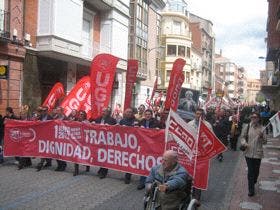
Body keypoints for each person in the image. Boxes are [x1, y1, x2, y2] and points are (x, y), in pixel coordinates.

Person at [240, 112, 267, 197]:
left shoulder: (262, 128)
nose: (253, 118)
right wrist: (244, 143)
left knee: (256, 171)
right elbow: (243, 137)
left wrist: (262, 136)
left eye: (255, 117)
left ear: (258, 118)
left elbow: (265, 142)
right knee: (250, 171)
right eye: (252, 117)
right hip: (248, 153)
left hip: (258, 153)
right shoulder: (247, 126)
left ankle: (254, 180)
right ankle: (251, 189)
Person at [137, 109, 160, 190]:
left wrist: (157, 129)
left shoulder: (156, 122)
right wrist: (138, 127)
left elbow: (160, 129)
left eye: (149, 114)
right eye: (146, 114)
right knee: (143, 164)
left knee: (152, 164)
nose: (147, 115)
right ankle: (142, 182)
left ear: (151, 115)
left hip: (153, 147)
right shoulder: (142, 121)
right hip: (144, 146)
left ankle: (152, 181)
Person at [94, 107, 117, 179]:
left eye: (105, 111)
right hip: (99, 141)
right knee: (100, 156)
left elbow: (115, 129)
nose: (103, 112)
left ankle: (104, 172)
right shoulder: (98, 119)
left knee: (105, 156)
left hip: (107, 141)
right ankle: (101, 169)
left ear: (108, 112)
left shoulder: (112, 120)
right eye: (102, 111)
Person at [119, 107, 138, 184]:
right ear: (125, 113)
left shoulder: (136, 121)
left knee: (130, 160)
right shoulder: (122, 121)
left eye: (130, 112)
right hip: (123, 143)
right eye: (127, 112)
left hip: (132, 144)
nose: (129, 113)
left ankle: (128, 177)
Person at [73, 110, 90, 176]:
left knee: (85, 155)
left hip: (84, 142)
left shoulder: (87, 122)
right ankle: (76, 170)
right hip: (77, 141)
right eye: (80, 114)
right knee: (76, 155)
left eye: (82, 114)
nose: (80, 115)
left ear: (84, 115)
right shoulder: (76, 121)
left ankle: (87, 166)